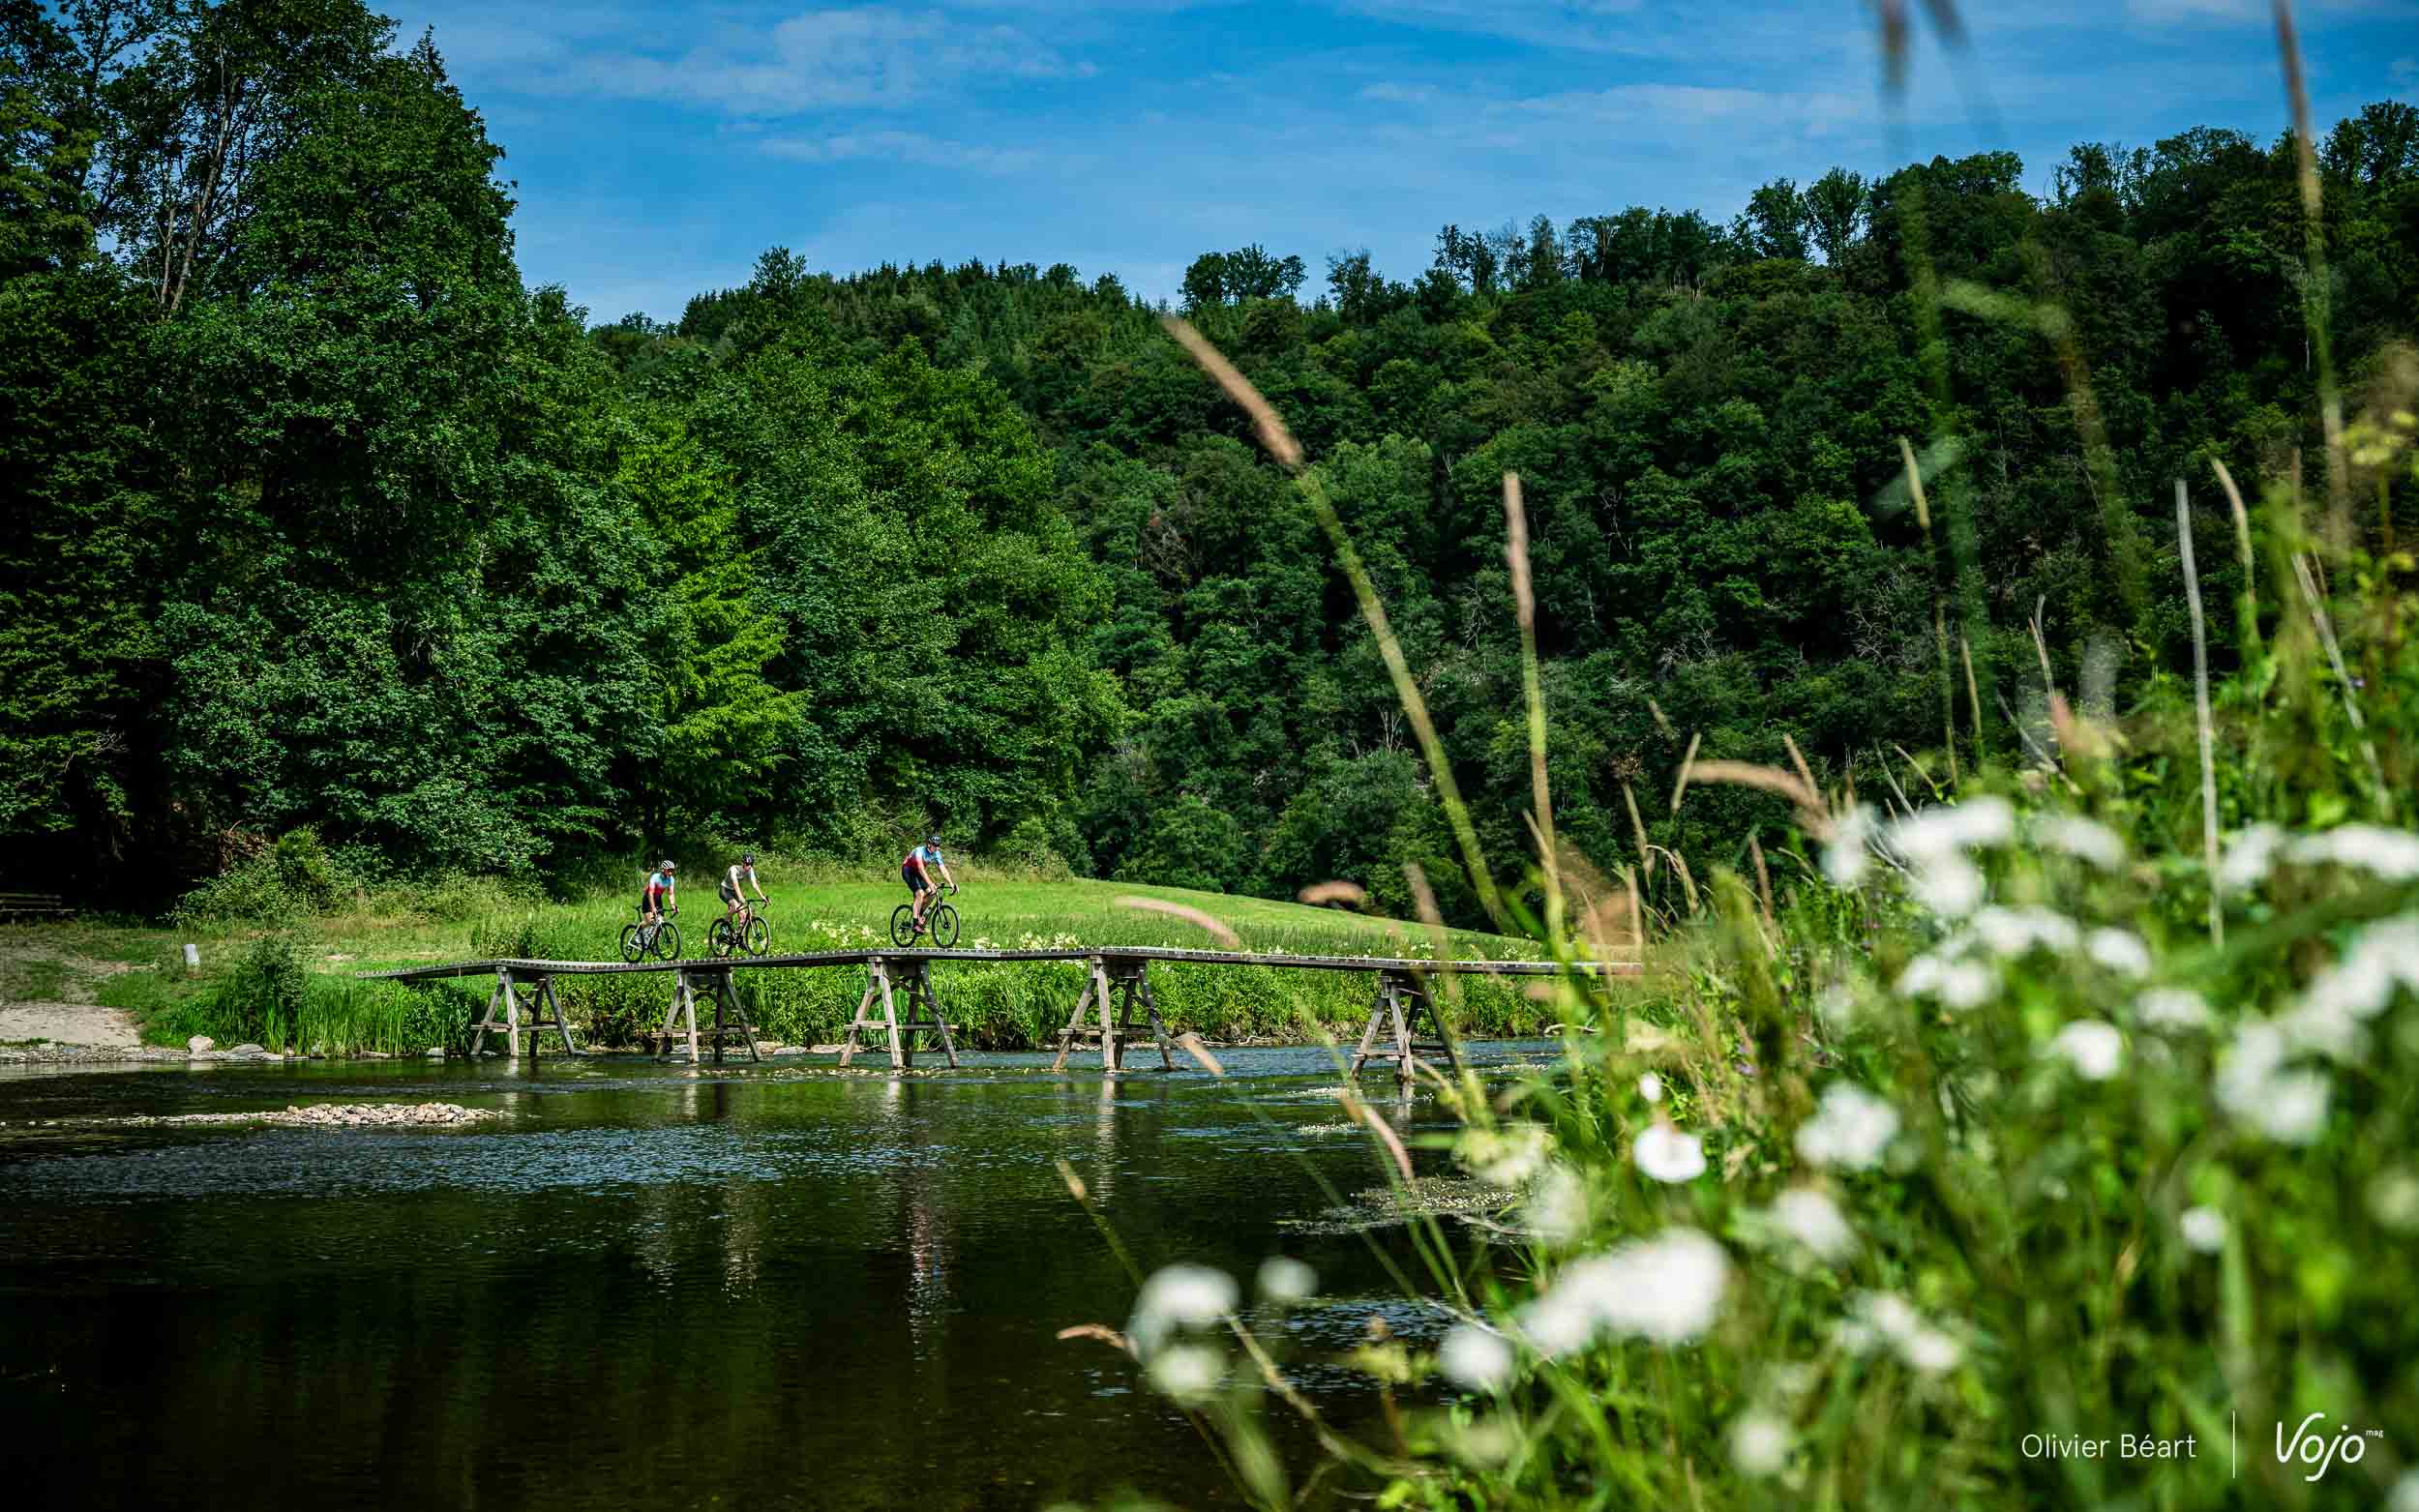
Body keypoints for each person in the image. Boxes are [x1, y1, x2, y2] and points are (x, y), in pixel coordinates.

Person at [902, 834, 955, 933]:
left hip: (917, 872)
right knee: (920, 894)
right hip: (908, 871)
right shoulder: (919, 851)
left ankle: (920, 914)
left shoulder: (936, 853)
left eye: (938, 845)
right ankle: (915, 924)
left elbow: (943, 869)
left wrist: (951, 883)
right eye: (935, 845)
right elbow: (921, 870)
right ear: (929, 844)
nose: (937, 847)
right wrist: (930, 883)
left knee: (933, 892)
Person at [722, 850, 766, 929]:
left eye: (751, 864)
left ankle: (738, 936)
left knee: (742, 914)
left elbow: (754, 885)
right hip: (725, 890)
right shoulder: (733, 869)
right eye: (747, 864)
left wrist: (762, 896)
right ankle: (723, 926)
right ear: (743, 863)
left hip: (734, 892)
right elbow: (735, 884)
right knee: (736, 907)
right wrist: (740, 897)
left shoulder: (750, 870)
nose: (748, 866)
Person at [642, 859, 676, 929]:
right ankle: (639, 931)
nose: (670, 873)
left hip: (658, 898)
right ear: (663, 870)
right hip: (648, 898)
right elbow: (650, 893)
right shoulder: (655, 877)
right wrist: (653, 908)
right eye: (669, 870)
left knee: (659, 922)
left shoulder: (671, 879)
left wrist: (673, 905)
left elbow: (670, 894)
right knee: (650, 921)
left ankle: (655, 938)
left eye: (672, 871)